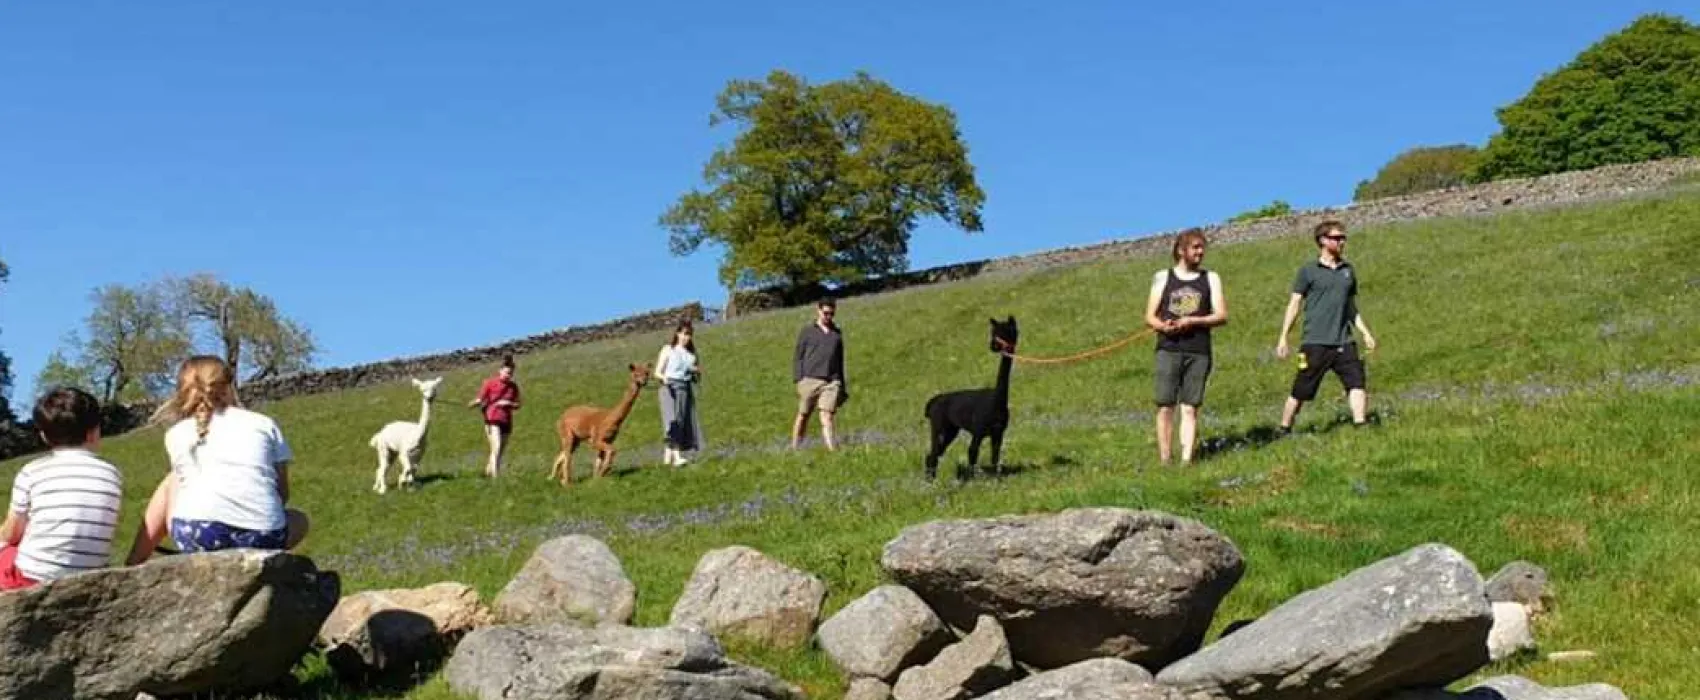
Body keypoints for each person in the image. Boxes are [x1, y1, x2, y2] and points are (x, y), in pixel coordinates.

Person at [126, 356, 309, 564]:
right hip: (263, 536)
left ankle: (137, 559)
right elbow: (282, 492)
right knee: (300, 520)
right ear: (229, 387)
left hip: (197, 535)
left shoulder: (176, 433)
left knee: (175, 480)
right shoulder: (264, 424)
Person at [1, 388, 121, 590]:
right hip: (89, 577)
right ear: (94, 432)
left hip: (33, 577)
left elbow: (11, 533)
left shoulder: (32, 472)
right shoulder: (112, 474)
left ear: (44, 436)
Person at [1276, 220, 1379, 431]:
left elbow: (1351, 306)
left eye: (1343, 238)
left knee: (1357, 383)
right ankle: (1284, 428)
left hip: (1344, 340)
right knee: (1301, 391)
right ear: (1323, 240)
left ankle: (1361, 425)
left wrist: (1366, 333)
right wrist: (1284, 337)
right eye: (1336, 238)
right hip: (1315, 342)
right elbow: (1294, 303)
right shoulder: (1308, 271)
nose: (1341, 242)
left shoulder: (1347, 271)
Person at [1143, 228, 1228, 465]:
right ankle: (1165, 459)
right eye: (1195, 247)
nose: (1201, 252)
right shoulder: (1163, 277)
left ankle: (1186, 460)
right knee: (1165, 405)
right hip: (1168, 348)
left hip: (1198, 349)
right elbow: (1149, 316)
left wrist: (1194, 320)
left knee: (1190, 407)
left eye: (1202, 247)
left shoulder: (1211, 278)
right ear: (1181, 251)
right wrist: (1163, 326)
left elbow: (1221, 315)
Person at [791, 298, 847, 451]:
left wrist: (842, 384)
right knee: (804, 415)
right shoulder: (807, 332)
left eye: (832, 314)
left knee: (827, 415)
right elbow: (798, 356)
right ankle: (796, 447)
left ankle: (832, 449)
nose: (828, 316)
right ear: (818, 310)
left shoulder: (837, 334)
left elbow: (840, 360)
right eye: (826, 313)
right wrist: (798, 379)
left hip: (831, 382)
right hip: (809, 380)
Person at [654, 319, 705, 466]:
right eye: (682, 334)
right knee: (671, 421)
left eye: (688, 335)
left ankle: (668, 457)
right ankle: (677, 458)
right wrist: (664, 379)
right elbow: (657, 372)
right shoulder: (668, 349)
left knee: (680, 421)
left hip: (683, 389)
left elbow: (692, 374)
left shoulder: (691, 356)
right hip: (668, 388)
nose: (685, 337)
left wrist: (695, 371)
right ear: (677, 334)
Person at [470, 355, 522, 477]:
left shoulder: (513, 387)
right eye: (507, 372)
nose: (508, 375)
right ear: (500, 370)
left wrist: (508, 403)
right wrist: (474, 403)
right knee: (496, 446)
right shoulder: (490, 383)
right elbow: (480, 398)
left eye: (511, 373)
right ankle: (496, 477)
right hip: (492, 418)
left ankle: (488, 472)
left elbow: (518, 404)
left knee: (499, 450)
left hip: (507, 421)